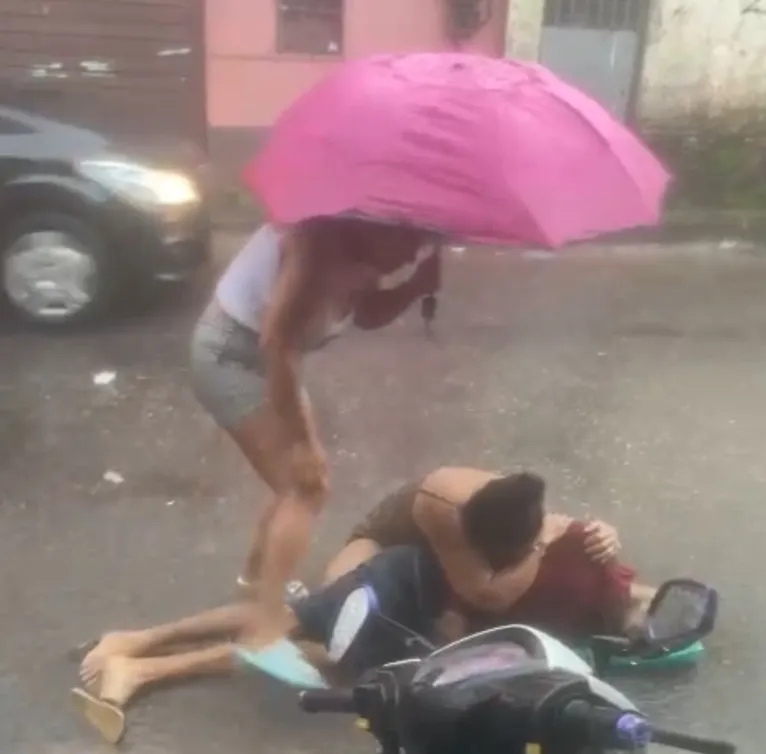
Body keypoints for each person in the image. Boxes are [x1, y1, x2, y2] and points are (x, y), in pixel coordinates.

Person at [190, 218, 441, 620]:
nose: (414, 254)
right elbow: (277, 340)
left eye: (424, 245)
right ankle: (266, 622)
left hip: (272, 366)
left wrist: (416, 285)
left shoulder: (363, 247)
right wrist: (302, 440)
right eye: (412, 239)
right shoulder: (314, 243)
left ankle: (258, 577)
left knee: (296, 480)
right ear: (383, 225)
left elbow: (365, 314)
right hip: (231, 360)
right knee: (305, 486)